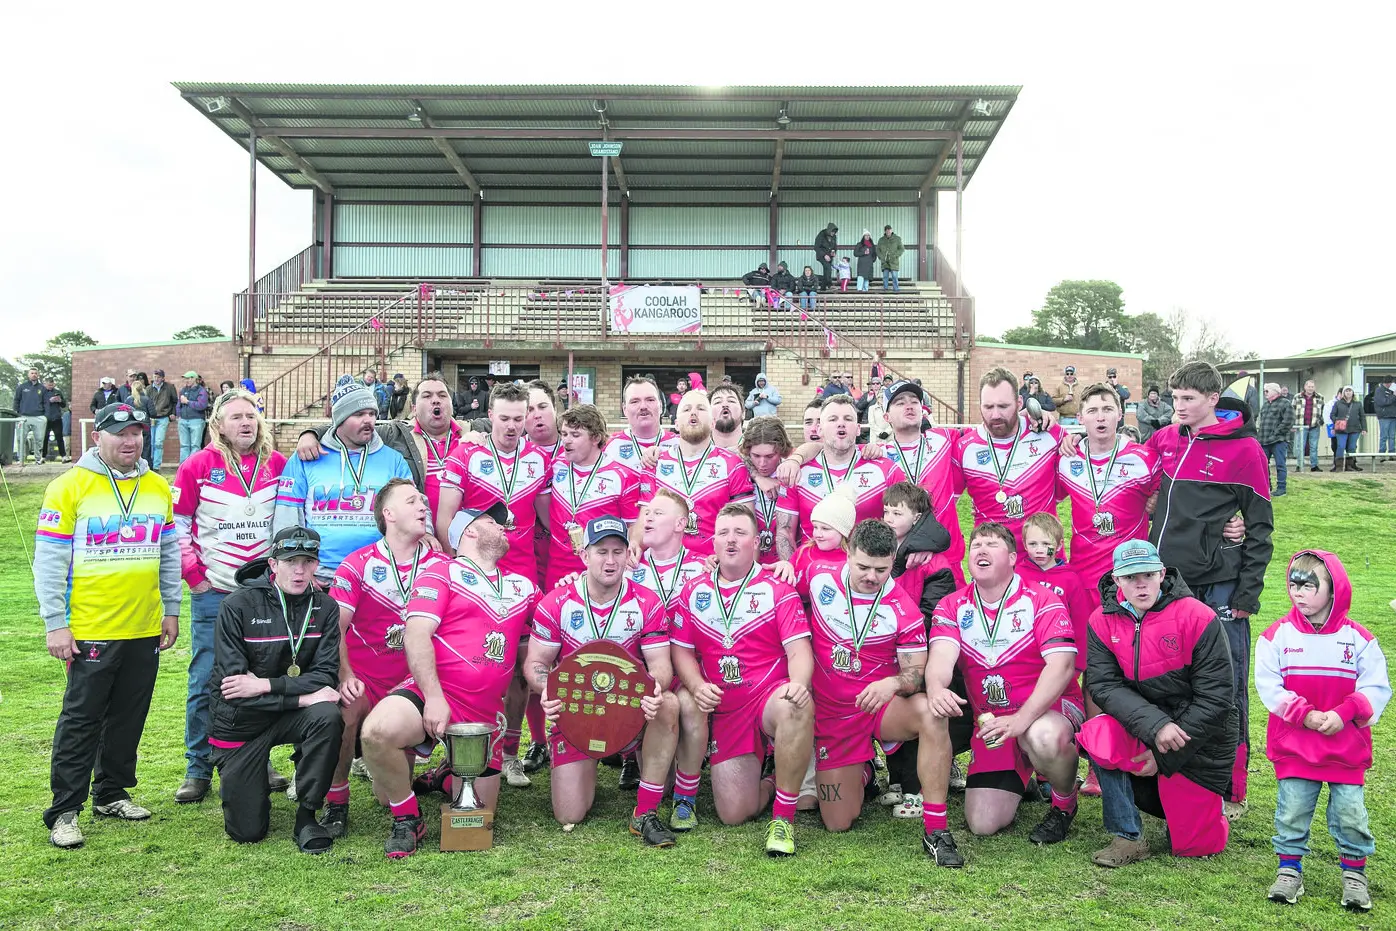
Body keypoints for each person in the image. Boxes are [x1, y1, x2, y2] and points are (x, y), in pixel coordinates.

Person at [37, 402, 181, 849]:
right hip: (89, 628)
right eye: (119, 433)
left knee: (128, 716)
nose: (129, 440)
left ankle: (112, 793)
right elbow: (50, 561)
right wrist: (56, 624)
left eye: (136, 432)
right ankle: (65, 809)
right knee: (82, 720)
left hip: (143, 626)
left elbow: (170, 554)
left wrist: (171, 608)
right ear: (97, 436)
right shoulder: (69, 486)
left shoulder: (158, 486)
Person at [358, 502, 535, 858]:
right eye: (492, 522)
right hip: (434, 693)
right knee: (376, 736)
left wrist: (573, 584)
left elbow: (549, 631)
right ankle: (407, 818)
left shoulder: (524, 586)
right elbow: (416, 634)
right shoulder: (441, 572)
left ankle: (445, 775)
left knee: (481, 809)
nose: (504, 527)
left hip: (484, 715)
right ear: (468, 531)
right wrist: (434, 697)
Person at [1146, 360, 1272, 818]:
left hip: (1218, 588)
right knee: (1174, 683)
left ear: (1213, 400)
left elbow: (1259, 528)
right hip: (1167, 585)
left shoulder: (1246, 451)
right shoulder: (1165, 439)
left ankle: (1232, 789)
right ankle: (1179, 776)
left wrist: (1246, 595)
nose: (1179, 406)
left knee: (1227, 686)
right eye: (1175, 397)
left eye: (1189, 400)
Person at [804, 519, 964, 865]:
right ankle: (863, 768)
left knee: (931, 714)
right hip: (832, 715)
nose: (871, 577)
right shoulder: (817, 576)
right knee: (837, 823)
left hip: (880, 707)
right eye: (863, 566)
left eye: (881, 568)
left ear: (893, 560)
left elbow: (917, 672)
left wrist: (891, 683)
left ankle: (936, 829)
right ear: (846, 553)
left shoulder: (902, 607)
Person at [1079, 539, 1239, 867]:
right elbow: (1103, 685)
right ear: (1116, 580)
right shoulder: (1100, 620)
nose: (1141, 584)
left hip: (1196, 744)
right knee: (1098, 732)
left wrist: (1166, 752)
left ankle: (1207, 806)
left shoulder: (1199, 617)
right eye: (1130, 577)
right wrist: (1156, 727)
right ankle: (1127, 836)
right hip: (1148, 731)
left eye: (1149, 575)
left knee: (1197, 846)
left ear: (1162, 573)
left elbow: (1217, 698)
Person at [524, 517, 679, 845]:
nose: (610, 561)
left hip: (629, 708)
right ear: (584, 555)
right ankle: (591, 760)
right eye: (601, 552)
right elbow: (535, 664)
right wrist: (547, 687)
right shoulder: (556, 602)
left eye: (618, 552)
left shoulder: (647, 602)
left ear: (627, 555)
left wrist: (654, 688)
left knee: (668, 703)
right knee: (570, 813)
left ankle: (645, 811)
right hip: (577, 712)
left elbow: (661, 667)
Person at [671, 505, 815, 856]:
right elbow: (683, 652)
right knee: (734, 813)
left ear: (755, 542)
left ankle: (783, 818)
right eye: (723, 533)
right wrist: (696, 685)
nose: (731, 539)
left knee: (795, 704)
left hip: (766, 696)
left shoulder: (777, 589)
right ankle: (771, 778)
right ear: (713, 541)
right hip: (725, 706)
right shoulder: (692, 591)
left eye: (739, 532)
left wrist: (798, 684)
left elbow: (799, 651)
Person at [928, 523, 1084, 845]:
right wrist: (936, 688)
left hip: (1048, 712)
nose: (981, 550)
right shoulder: (951, 606)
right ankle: (1025, 774)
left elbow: (1063, 666)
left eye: (992, 545)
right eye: (976, 545)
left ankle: (1064, 804)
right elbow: (941, 658)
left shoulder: (1042, 600)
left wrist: (1020, 721)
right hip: (994, 724)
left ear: (1013, 558)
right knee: (982, 823)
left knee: (1041, 736)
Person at [172, 388, 289, 803]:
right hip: (214, 591)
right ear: (218, 424)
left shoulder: (277, 464)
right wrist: (195, 576)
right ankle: (198, 767)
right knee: (207, 678)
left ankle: (259, 759)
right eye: (236, 417)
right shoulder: (197, 465)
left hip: (264, 592)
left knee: (262, 678)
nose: (245, 423)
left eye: (252, 416)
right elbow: (178, 525)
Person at [1256, 551, 1389, 911]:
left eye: (1309, 585)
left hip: (1345, 748)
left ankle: (1355, 875)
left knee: (1351, 815)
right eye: (1293, 584)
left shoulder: (1359, 639)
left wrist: (1345, 713)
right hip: (1296, 746)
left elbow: (1377, 688)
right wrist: (1306, 715)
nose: (1298, 592)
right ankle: (1289, 871)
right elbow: (1269, 687)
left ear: (1334, 590)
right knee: (1291, 812)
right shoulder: (1276, 637)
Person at [318, 478, 449, 836]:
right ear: (388, 514)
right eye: (412, 501)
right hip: (369, 680)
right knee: (342, 710)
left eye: (423, 501)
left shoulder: (443, 563)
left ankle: (449, 771)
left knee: (385, 792)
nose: (424, 506)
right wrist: (345, 675)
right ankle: (337, 800)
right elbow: (334, 628)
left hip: (416, 683)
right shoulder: (357, 564)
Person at [208, 527, 344, 852]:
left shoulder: (325, 607)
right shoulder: (237, 605)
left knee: (327, 715)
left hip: (287, 713)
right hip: (242, 724)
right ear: (273, 564)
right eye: (290, 561)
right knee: (247, 832)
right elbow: (236, 689)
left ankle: (307, 816)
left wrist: (266, 685)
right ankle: (250, 784)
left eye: (307, 561)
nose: (299, 570)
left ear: (316, 565)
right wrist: (303, 696)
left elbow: (326, 675)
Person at [273, 375, 414, 585]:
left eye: (372, 413)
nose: (368, 420)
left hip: (380, 574)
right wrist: (299, 571)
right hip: (321, 577)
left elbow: (412, 512)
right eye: (359, 414)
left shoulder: (393, 460)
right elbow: (287, 520)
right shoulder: (306, 457)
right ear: (340, 419)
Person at [1055, 382, 1160, 594]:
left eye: (1107, 409)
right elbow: (1045, 500)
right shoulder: (1066, 459)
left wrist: (1158, 497)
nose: (1100, 417)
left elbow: (1175, 497)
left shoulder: (1145, 459)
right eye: (1092, 411)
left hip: (1131, 575)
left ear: (1119, 414)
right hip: (1084, 576)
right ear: (1080, 418)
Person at [954, 368, 1062, 551]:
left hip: (1043, 562)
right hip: (991, 563)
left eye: (1003, 406)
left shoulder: (1049, 433)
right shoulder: (964, 447)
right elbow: (944, 503)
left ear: (1020, 403)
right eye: (988, 407)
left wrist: (1075, 438)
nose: (995, 415)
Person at [641, 389, 753, 557]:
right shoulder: (654, 463)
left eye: (701, 408)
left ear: (713, 422)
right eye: (686, 409)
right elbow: (644, 517)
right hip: (664, 565)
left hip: (712, 567)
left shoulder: (733, 464)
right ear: (676, 423)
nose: (693, 412)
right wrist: (635, 544)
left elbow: (745, 526)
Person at [779, 394, 906, 540]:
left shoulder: (886, 469)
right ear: (819, 429)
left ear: (858, 429)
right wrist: (789, 563)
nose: (841, 424)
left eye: (848, 419)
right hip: (813, 562)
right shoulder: (797, 472)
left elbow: (906, 523)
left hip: (868, 561)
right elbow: (785, 533)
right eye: (833, 419)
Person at [545, 404, 640, 587]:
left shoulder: (623, 476)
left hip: (598, 571)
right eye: (564, 434)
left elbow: (632, 527)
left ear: (595, 437)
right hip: (557, 567)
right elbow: (543, 505)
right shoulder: (555, 465)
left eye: (575, 435)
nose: (566, 441)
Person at [882, 379, 965, 586]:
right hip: (900, 563)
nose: (909, 405)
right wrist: (797, 458)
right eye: (899, 402)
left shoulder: (945, 439)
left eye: (914, 401)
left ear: (923, 410)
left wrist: (1027, 417)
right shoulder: (879, 456)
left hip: (947, 557)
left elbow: (991, 433)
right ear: (886, 417)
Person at [741, 416, 799, 564]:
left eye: (769, 456)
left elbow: (817, 447)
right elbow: (727, 451)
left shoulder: (792, 470)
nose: (762, 463)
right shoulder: (739, 470)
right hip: (750, 563)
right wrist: (758, 477)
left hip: (784, 562)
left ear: (782, 451)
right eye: (756, 456)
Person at [1257, 382, 1295, 496]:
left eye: (1267, 391)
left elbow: (1288, 421)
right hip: (1263, 440)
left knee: (1280, 464)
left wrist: (1276, 433)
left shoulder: (1285, 403)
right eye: (1264, 391)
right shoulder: (1265, 405)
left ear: (1275, 391)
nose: (1265, 393)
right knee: (1262, 464)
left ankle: (1281, 488)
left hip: (1278, 440)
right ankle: (1266, 487)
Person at [14, 367, 49, 464]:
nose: (34, 374)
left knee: (39, 439)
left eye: (35, 373)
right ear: (28, 375)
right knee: (21, 438)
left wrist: (46, 416)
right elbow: (16, 400)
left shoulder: (42, 388)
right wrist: (17, 414)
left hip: (39, 417)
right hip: (23, 417)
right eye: (32, 373)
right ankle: (20, 459)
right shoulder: (22, 387)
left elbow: (46, 403)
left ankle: (38, 459)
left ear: (38, 375)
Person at [176, 371, 210, 464]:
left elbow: (202, 405)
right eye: (185, 378)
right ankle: (183, 467)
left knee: (195, 445)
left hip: (197, 420)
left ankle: (192, 466)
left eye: (188, 378)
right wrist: (179, 415)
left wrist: (188, 402)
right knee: (184, 445)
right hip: (183, 420)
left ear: (194, 379)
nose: (186, 380)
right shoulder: (183, 390)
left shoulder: (201, 391)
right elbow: (178, 404)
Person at [1328, 385, 1365, 472]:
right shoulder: (1338, 403)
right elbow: (1332, 415)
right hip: (1341, 429)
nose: (1348, 393)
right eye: (1346, 391)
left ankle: (1349, 466)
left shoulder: (1358, 404)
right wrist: (1337, 421)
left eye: (1350, 391)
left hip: (1355, 429)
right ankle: (1339, 466)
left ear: (1353, 393)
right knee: (1340, 446)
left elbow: (1362, 417)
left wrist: (1364, 428)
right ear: (1343, 393)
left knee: (1352, 447)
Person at [145, 370, 177, 468]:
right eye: (155, 377)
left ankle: (156, 466)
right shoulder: (149, 388)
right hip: (151, 418)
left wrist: (173, 413)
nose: (156, 379)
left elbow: (175, 401)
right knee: (150, 442)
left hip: (163, 417)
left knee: (158, 442)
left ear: (163, 378)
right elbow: (145, 402)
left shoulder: (169, 387)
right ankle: (149, 464)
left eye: (159, 377)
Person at [127, 374, 157, 468]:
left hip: (132, 427)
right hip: (145, 427)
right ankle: (147, 467)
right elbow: (153, 413)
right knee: (146, 449)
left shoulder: (129, 400)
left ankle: (133, 466)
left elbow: (126, 413)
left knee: (132, 448)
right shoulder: (146, 399)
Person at [709, 384, 746, 451]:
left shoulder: (759, 451)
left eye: (731, 401)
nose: (725, 405)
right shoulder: (695, 452)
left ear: (743, 413)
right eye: (717, 402)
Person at [41, 376, 69, 463]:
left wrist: (59, 400)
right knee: (45, 437)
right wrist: (49, 401)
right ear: (45, 384)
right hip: (46, 418)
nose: (50, 386)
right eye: (49, 385)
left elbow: (64, 405)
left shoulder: (58, 392)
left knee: (59, 437)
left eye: (52, 385)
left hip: (56, 417)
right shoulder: (42, 393)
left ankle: (63, 456)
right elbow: (39, 404)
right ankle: (43, 456)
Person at [1373, 377, 1396, 461]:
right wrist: (1393, 396)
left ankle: (1392, 453)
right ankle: (1382, 453)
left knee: (1392, 436)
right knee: (1384, 436)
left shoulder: (1392, 390)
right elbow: (1383, 402)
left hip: (1393, 416)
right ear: (1387, 383)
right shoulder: (1379, 390)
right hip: (1384, 416)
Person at [876, 225, 904, 292]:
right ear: (885, 231)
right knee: (885, 276)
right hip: (885, 262)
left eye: (889, 229)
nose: (888, 231)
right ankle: (885, 288)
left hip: (894, 262)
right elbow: (877, 250)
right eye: (886, 230)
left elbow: (901, 249)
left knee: (894, 276)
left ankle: (896, 289)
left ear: (891, 230)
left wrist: (896, 255)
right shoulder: (881, 240)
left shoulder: (897, 239)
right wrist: (881, 257)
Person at [814, 222, 838, 289]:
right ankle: (830, 284)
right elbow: (816, 247)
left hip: (830, 256)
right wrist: (824, 255)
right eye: (832, 232)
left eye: (834, 232)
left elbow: (835, 246)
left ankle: (823, 287)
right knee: (828, 268)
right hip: (821, 255)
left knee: (827, 270)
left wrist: (834, 251)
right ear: (829, 230)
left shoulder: (834, 237)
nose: (833, 233)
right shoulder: (821, 235)